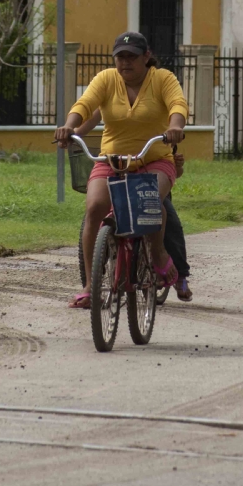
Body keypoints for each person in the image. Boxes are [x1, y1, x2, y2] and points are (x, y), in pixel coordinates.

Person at [55, 31, 187, 308]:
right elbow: (85, 104)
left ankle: (160, 254)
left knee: (149, 200)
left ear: (146, 57)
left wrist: (175, 127)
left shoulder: (163, 79)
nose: (125, 63)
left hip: (154, 158)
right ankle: (91, 288)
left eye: (132, 57)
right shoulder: (106, 79)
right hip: (112, 159)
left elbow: (178, 104)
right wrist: (70, 125)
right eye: (120, 57)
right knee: (94, 207)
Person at [77, 107, 194, 301]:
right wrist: (74, 131)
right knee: (98, 211)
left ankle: (180, 274)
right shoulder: (111, 94)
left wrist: (177, 165)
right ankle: (98, 274)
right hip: (119, 169)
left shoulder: (161, 113)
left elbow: (172, 163)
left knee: (168, 220)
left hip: (151, 177)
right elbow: (90, 115)